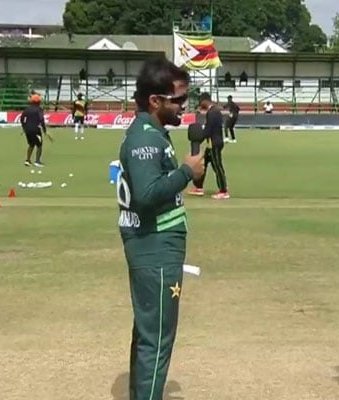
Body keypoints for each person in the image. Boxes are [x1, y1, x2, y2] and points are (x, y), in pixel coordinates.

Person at [116, 56, 205, 400]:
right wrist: (186, 172)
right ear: (155, 100)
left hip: (155, 247)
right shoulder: (145, 140)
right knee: (157, 340)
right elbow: (148, 193)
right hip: (153, 248)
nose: (185, 105)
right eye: (179, 99)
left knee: (149, 333)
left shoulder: (152, 133)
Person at [187, 92, 230, 199]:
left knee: (217, 166)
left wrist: (198, 139)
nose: (201, 104)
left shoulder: (212, 112)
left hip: (214, 143)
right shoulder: (213, 111)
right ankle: (199, 187)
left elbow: (208, 129)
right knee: (203, 164)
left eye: (201, 102)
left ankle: (223, 191)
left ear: (205, 101)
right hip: (211, 143)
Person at [20, 94, 48, 167]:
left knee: (31, 144)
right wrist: (44, 129)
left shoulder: (27, 109)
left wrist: (24, 127)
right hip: (36, 129)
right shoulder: (39, 109)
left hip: (28, 130)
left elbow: (22, 119)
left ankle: (27, 160)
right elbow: (41, 120)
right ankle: (37, 161)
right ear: (38, 102)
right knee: (39, 145)